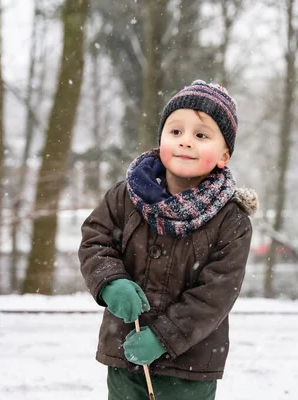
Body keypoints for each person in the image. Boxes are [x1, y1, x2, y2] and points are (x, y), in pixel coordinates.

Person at [78, 79, 258, 399]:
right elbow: (96, 238)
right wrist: (110, 281)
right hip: (125, 354)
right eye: (175, 132)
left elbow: (215, 294)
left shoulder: (232, 221)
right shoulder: (126, 196)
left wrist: (165, 337)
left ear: (224, 155)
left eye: (201, 135)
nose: (185, 142)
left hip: (190, 367)